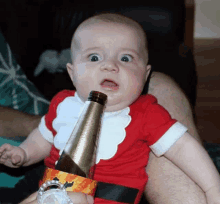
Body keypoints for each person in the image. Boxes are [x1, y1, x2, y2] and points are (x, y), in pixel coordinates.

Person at [0, 13, 217, 204]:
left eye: (126, 58)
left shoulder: (146, 113)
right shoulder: (62, 103)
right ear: (72, 73)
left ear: (145, 74)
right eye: (94, 57)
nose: (110, 65)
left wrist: (212, 188)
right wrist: (25, 153)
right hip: (52, 194)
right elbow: (44, 137)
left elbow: (184, 148)